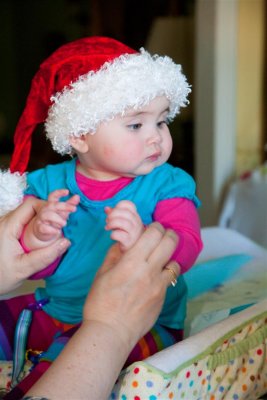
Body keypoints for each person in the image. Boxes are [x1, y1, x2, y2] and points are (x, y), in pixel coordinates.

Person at [0, 36, 202, 397]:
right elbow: (28, 264)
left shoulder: (168, 183)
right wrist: (37, 237)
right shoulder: (46, 184)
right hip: (57, 309)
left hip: (143, 323)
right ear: (80, 135)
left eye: (162, 121)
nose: (157, 137)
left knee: (60, 366)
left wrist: (147, 241)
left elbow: (187, 241)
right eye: (136, 125)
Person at [0, 199, 180, 400]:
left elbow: (186, 243)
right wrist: (110, 328)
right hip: (64, 310)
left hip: (149, 325)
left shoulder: (171, 186)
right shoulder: (50, 186)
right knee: (68, 350)